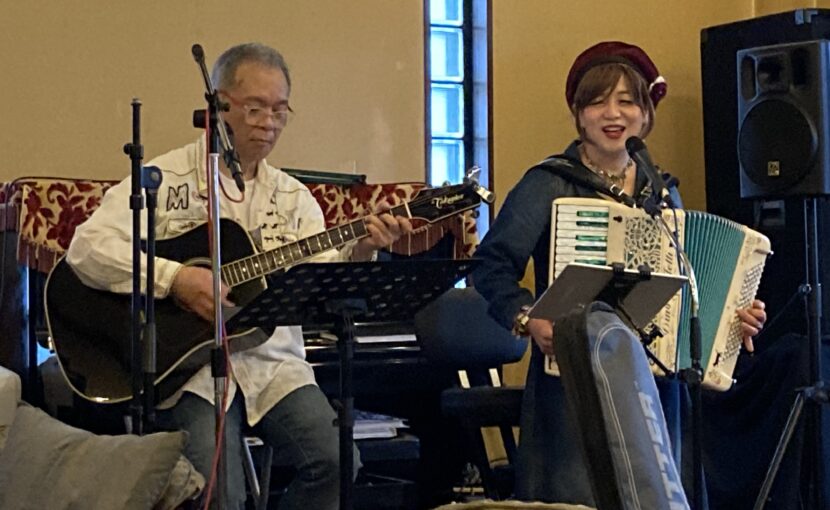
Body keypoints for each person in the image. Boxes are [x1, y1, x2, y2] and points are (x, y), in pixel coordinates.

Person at [65, 42, 412, 510]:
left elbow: (316, 283)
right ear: (218, 106)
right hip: (188, 371)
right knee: (220, 492)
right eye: (255, 108)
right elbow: (87, 248)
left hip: (274, 365)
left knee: (337, 462)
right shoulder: (165, 179)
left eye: (280, 110)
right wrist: (175, 280)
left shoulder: (294, 198)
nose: (269, 122)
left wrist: (363, 249)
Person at [472, 41, 767, 505]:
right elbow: (489, 266)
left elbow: (687, 285)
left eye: (628, 101)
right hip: (573, 381)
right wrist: (528, 317)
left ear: (646, 114)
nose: (613, 114)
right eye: (597, 102)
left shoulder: (661, 192)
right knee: (577, 500)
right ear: (578, 113)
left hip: (656, 385)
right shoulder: (549, 183)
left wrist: (731, 319)